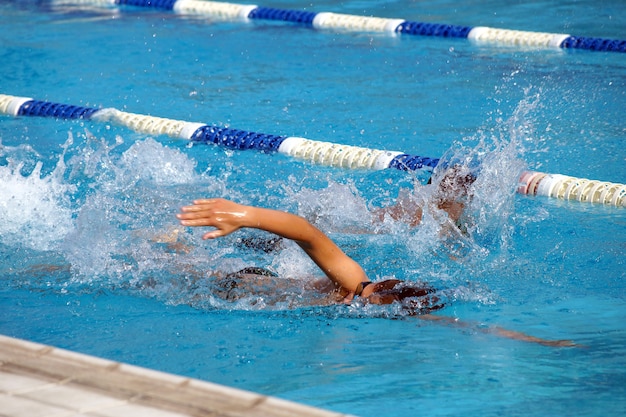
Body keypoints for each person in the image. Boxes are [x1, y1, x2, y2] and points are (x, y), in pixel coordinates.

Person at [176, 197, 576, 347]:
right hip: (236, 286)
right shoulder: (352, 283)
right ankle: (172, 243)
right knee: (174, 268)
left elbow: (456, 326)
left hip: (257, 284)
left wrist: (538, 342)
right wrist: (246, 215)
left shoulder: (365, 298)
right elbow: (307, 232)